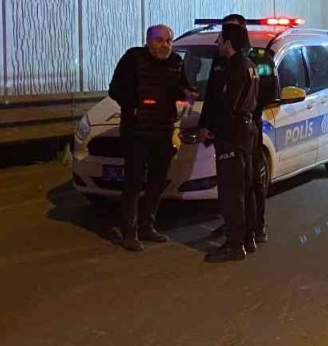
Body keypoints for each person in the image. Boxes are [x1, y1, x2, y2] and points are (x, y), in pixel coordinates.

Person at [108, 24, 194, 252]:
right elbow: (114, 89)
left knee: (157, 181)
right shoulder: (133, 58)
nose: (165, 45)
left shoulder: (176, 62)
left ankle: (147, 225)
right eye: (160, 40)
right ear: (148, 41)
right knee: (134, 183)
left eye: (169, 40)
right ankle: (129, 232)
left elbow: (183, 90)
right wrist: (133, 106)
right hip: (136, 132)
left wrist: (187, 99)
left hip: (163, 131)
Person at [204, 15, 271, 244]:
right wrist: (206, 124)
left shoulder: (254, 58)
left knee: (245, 184)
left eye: (224, 34)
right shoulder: (225, 61)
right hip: (238, 127)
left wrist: (242, 115)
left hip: (242, 127)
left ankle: (252, 229)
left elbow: (265, 92)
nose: (219, 40)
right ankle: (241, 230)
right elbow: (212, 94)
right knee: (237, 186)